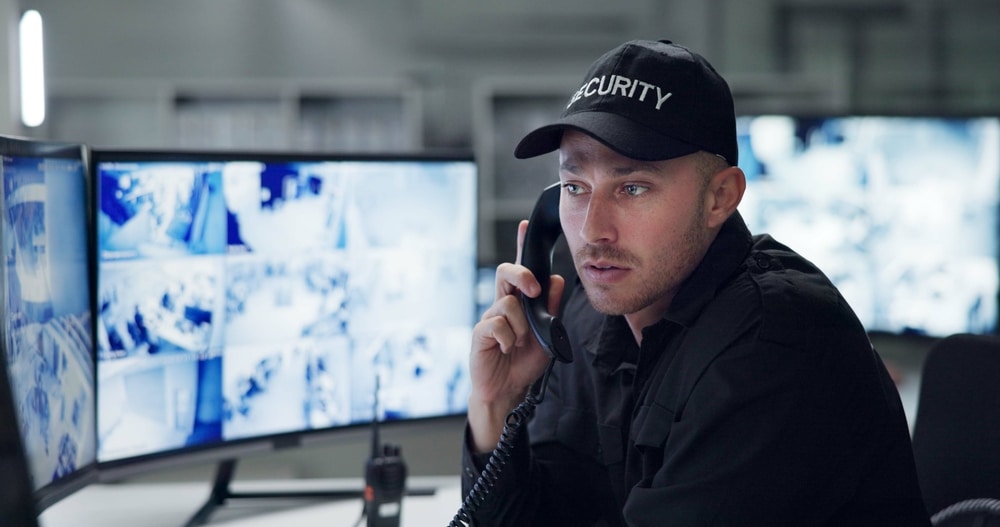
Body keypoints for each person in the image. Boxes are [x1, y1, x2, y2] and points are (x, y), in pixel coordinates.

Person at [461, 39, 931, 526]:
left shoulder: (775, 342)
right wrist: (495, 407)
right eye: (576, 188)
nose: (591, 230)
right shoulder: (588, 314)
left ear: (720, 197)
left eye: (632, 187)